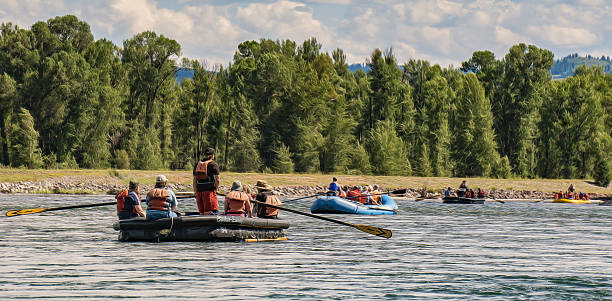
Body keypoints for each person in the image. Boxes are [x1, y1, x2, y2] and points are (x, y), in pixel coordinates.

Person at [193, 147, 220, 215]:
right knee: (211, 212)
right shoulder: (213, 164)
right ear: (212, 155)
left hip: (199, 191)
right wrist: (215, 190)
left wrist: (196, 191)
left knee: (202, 213)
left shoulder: (198, 164)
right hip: (209, 192)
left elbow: (194, 180)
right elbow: (218, 179)